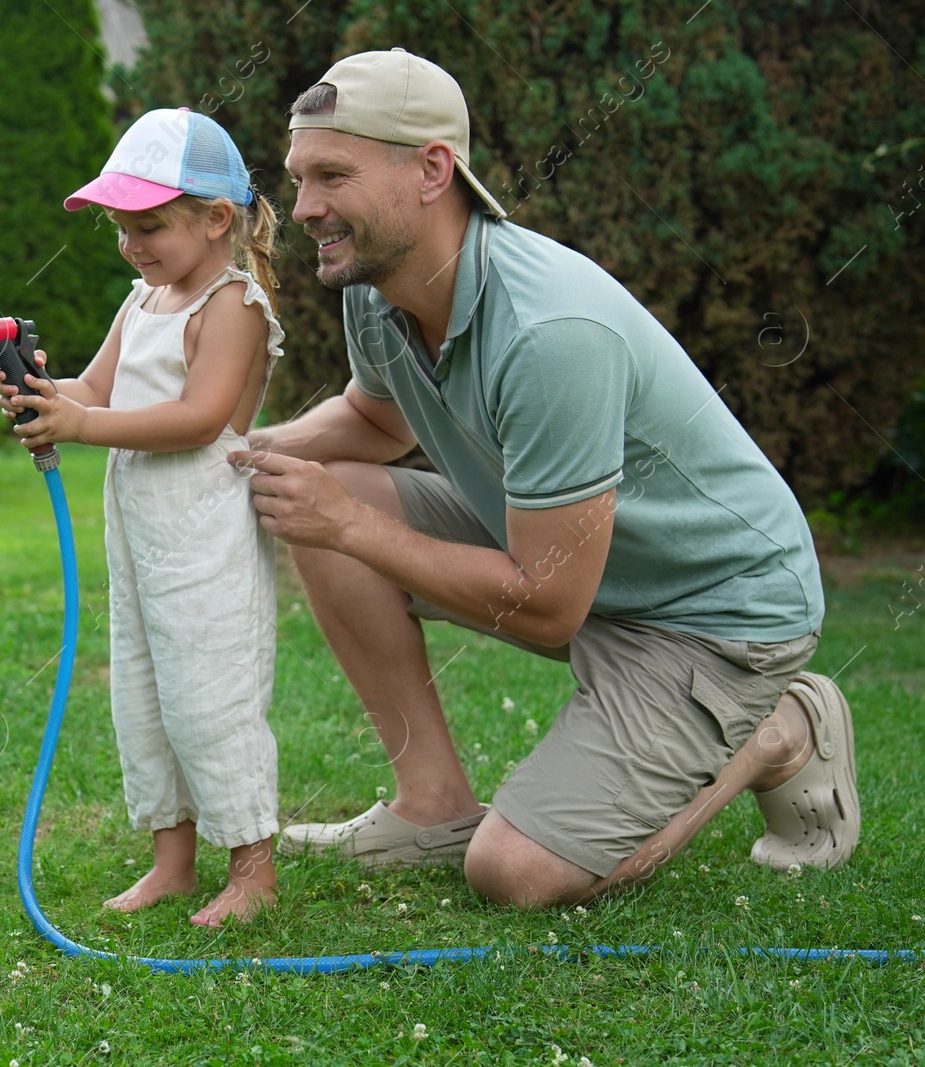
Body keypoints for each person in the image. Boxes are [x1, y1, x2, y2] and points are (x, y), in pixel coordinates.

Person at [233, 50, 858, 908]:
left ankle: (782, 729)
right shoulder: (376, 289)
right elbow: (376, 421)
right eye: (300, 177)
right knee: (336, 488)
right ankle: (432, 810)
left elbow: (548, 601)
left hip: (714, 616)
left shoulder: (548, 331)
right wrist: (227, 454)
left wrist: (345, 522)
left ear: (431, 170)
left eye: (332, 175)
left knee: (515, 875)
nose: (303, 208)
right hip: (577, 569)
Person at [0, 107, 286, 926]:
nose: (132, 243)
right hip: (142, 544)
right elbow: (97, 391)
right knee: (147, 697)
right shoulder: (146, 297)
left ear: (215, 218)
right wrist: (50, 397)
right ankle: (172, 862)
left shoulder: (232, 304)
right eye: (122, 227)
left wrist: (83, 424)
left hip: (207, 544)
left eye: (148, 225)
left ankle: (253, 872)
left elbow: (199, 418)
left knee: (211, 698)